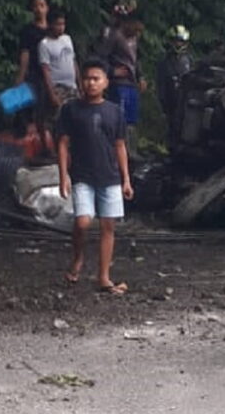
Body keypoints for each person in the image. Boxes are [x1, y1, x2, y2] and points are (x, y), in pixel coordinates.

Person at [58, 59, 134, 295]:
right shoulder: (71, 109)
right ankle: (78, 257)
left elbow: (120, 146)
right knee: (82, 222)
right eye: (87, 78)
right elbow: (62, 144)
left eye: (96, 79)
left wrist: (126, 179)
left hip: (109, 176)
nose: (90, 83)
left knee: (108, 226)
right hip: (82, 174)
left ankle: (103, 276)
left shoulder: (114, 112)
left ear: (105, 83)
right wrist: (63, 176)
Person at [104, 15, 147, 158]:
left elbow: (135, 59)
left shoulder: (134, 38)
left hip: (131, 82)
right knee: (118, 118)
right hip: (118, 83)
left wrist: (140, 76)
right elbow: (101, 57)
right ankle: (116, 151)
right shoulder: (115, 36)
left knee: (131, 119)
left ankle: (131, 151)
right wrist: (112, 71)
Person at [38, 8, 81, 154]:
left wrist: (80, 84)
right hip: (58, 86)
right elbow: (45, 70)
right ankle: (56, 152)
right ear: (50, 24)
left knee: (75, 120)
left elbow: (73, 62)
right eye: (58, 24)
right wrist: (51, 93)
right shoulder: (44, 44)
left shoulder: (67, 39)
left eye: (63, 24)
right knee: (57, 122)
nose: (61, 27)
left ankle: (73, 152)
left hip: (72, 86)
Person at [13, 0, 49, 137]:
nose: (39, 9)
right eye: (35, 6)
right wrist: (20, 76)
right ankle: (19, 133)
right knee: (21, 103)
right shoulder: (28, 30)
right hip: (34, 71)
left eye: (42, 5)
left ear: (47, 8)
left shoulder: (53, 30)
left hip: (52, 73)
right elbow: (25, 53)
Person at [156, 24, 193, 143]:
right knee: (172, 123)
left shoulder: (189, 60)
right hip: (170, 97)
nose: (178, 44)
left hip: (186, 97)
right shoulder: (165, 61)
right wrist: (162, 100)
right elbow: (161, 82)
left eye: (181, 42)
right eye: (176, 41)